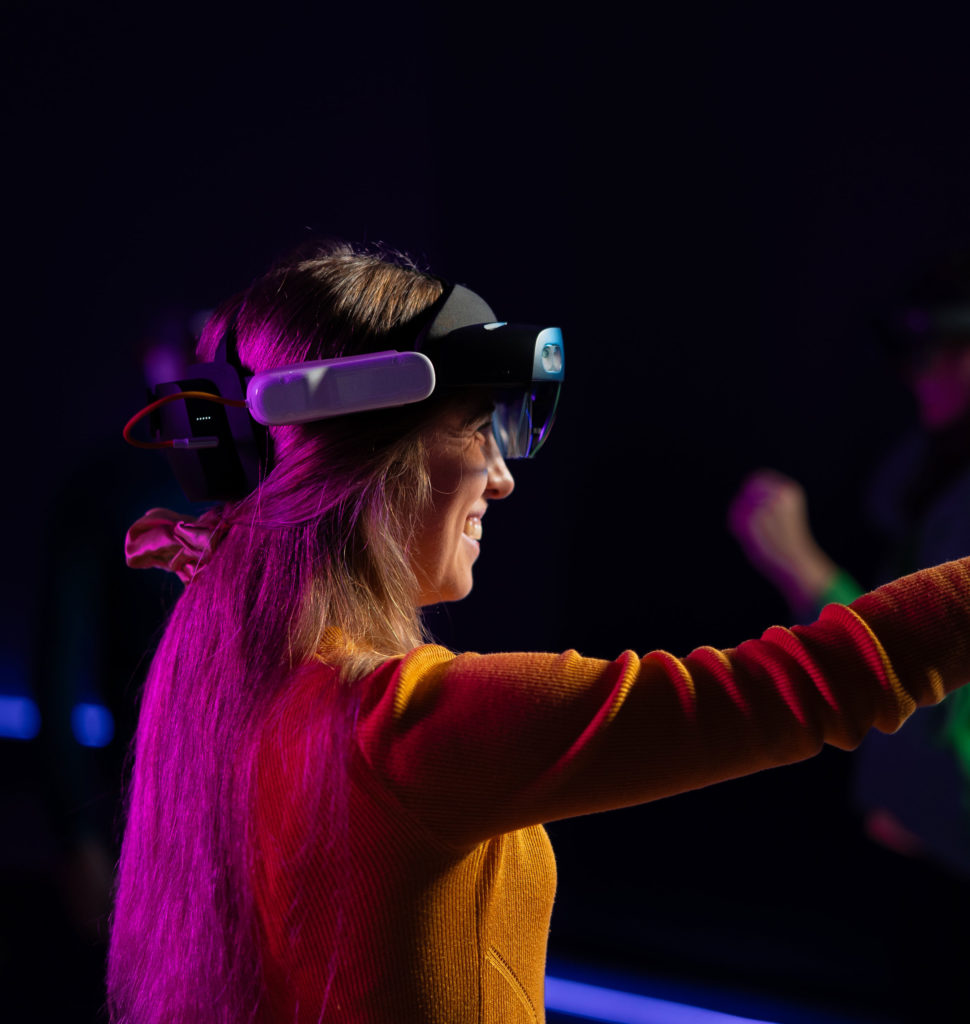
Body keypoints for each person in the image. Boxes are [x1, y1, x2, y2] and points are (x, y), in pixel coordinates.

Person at [108, 240, 970, 1024]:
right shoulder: (406, 731)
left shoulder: (224, 688)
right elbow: (797, 689)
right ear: (370, 458)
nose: (500, 477)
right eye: (480, 428)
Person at [728, 252, 970, 875]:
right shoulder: (925, 478)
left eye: (939, 344)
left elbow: (948, 741)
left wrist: (807, 575)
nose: (919, 371)